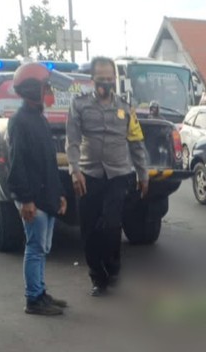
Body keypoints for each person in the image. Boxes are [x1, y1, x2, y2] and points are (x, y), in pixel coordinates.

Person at [66, 57, 149, 297]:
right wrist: (74, 170)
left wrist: (143, 175)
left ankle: (113, 268)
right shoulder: (79, 105)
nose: (106, 83)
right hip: (89, 175)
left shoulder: (125, 107)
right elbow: (72, 140)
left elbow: (136, 141)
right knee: (89, 229)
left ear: (115, 79)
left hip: (119, 174)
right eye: (101, 79)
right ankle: (97, 278)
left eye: (110, 79)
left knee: (112, 224)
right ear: (92, 80)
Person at [7, 62, 69, 315]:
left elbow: (48, 162)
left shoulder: (39, 119)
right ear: (33, 90)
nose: (48, 92)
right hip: (33, 198)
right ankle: (33, 300)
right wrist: (27, 200)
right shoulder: (20, 121)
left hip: (46, 196)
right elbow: (17, 164)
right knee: (34, 249)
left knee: (42, 249)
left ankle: (41, 292)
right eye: (45, 87)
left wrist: (60, 194)